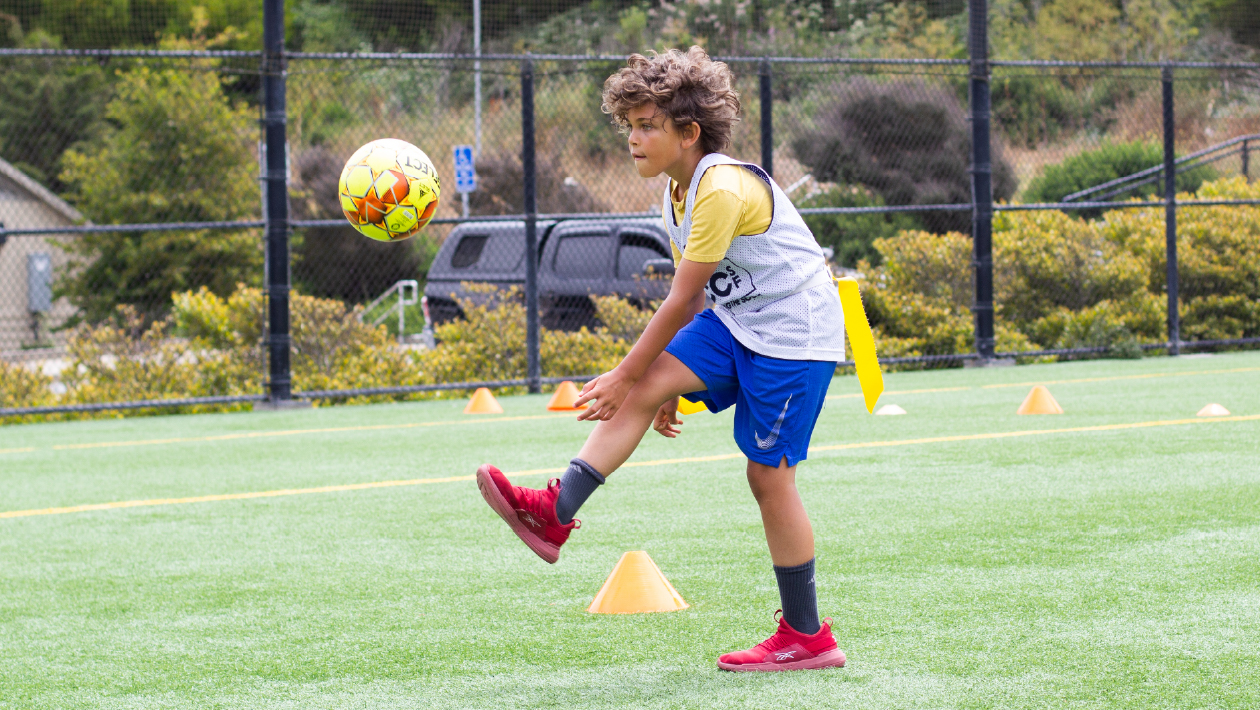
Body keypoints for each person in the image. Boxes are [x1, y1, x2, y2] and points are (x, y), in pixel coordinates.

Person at [476, 46, 847, 672]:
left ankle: (808, 639)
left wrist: (623, 376)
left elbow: (680, 299)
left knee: (768, 478)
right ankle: (552, 514)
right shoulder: (679, 190)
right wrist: (659, 379)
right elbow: (699, 295)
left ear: (689, 132)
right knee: (649, 381)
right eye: (629, 126)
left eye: (647, 126)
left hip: (793, 333)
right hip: (740, 320)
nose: (633, 139)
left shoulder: (722, 188)